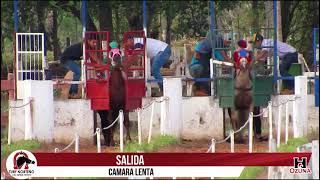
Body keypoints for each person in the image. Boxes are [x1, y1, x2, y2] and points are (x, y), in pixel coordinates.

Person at [233, 39, 267, 141]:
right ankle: (255, 134)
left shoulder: (242, 52)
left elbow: (246, 61)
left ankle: (255, 134)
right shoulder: (241, 53)